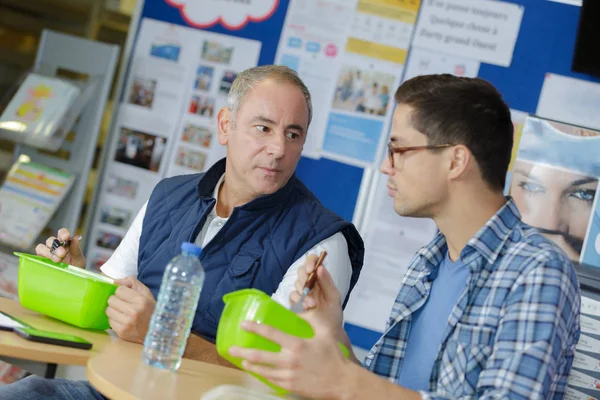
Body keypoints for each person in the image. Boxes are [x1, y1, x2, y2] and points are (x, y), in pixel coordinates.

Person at [0, 65, 364, 399]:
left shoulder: (322, 242)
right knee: (26, 392)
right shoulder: (169, 195)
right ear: (225, 125)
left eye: (293, 134)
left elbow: (284, 379)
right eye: (263, 128)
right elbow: (112, 309)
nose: (278, 149)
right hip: (119, 390)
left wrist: (162, 332)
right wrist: (75, 274)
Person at [230, 74, 581, 399]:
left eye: (399, 149)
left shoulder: (538, 272)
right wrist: (334, 332)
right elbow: (380, 391)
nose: (386, 166)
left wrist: (344, 381)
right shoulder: (430, 261)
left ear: (455, 161)